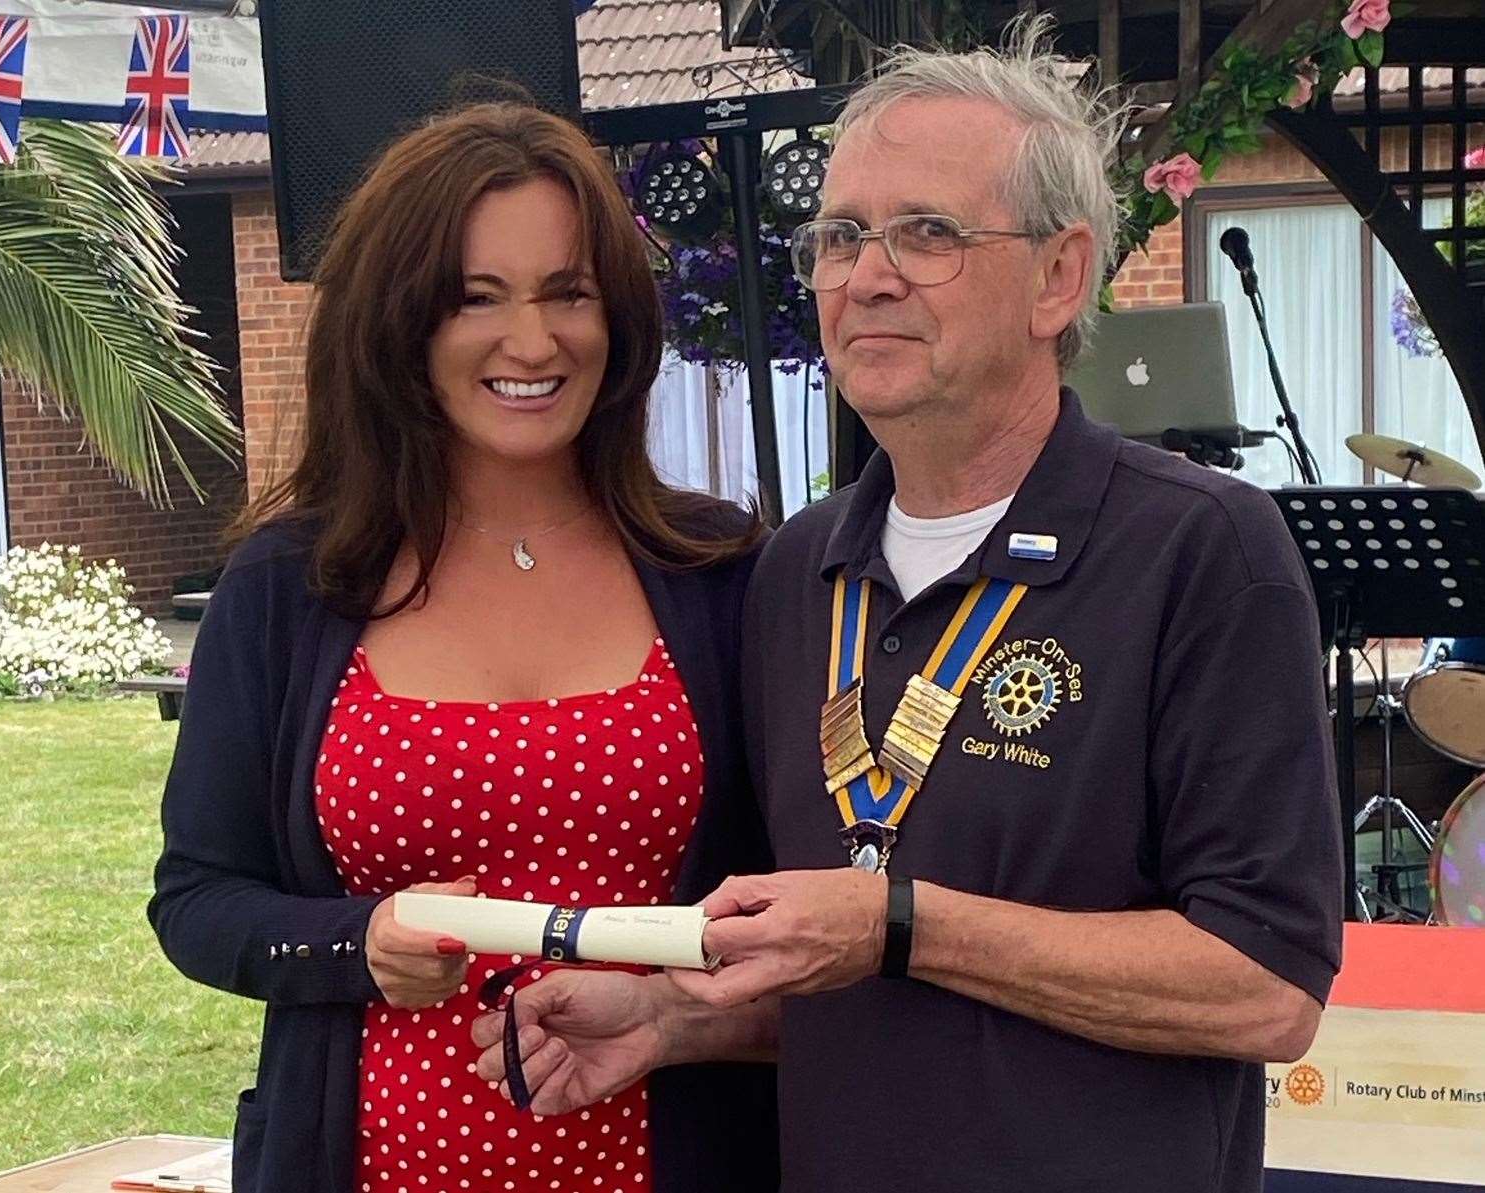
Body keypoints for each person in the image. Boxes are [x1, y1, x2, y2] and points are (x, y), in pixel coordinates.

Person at [473, 19, 1343, 1193]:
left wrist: (901, 919)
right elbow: (836, 976)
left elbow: (1265, 986)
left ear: (1057, 276)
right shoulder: (794, 572)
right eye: (839, 236)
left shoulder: (1200, 551)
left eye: (926, 233)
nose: (865, 274)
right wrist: (675, 1021)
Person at [148, 104, 778, 1193]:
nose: (530, 342)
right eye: (474, 297)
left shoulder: (716, 571)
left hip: (678, 1153)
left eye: (565, 292)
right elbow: (198, 897)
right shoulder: (291, 586)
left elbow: (809, 905)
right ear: (398, 323)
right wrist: (359, 943)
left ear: (616, 318)